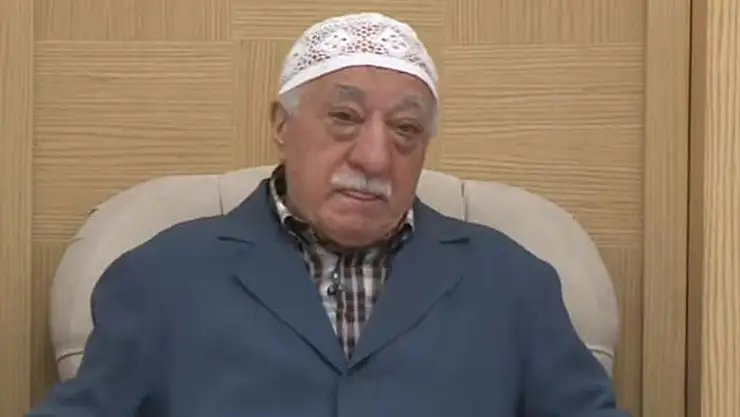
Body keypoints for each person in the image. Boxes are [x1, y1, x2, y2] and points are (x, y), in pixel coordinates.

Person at [28, 12, 630, 417]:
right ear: (282, 125)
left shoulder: (513, 282)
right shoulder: (161, 275)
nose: (374, 157)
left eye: (405, 129)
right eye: (344, 118)